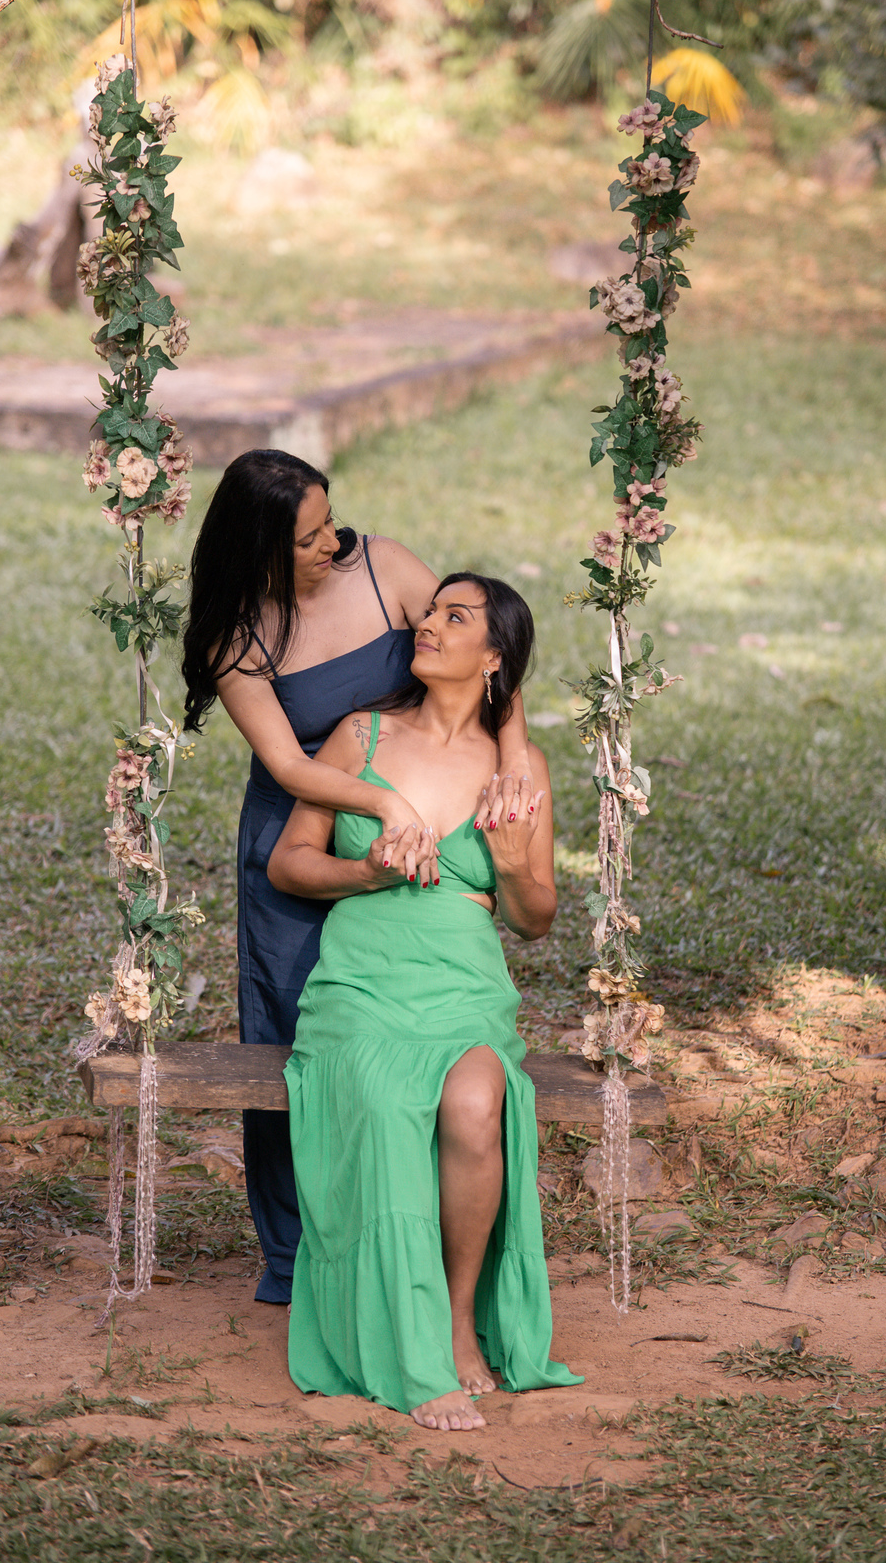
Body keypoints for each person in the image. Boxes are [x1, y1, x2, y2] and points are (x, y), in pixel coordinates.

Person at [181, 451, 536, 1307]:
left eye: (330, 520)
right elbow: (288, 765)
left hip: (410, 808)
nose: (332, 542)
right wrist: (382, 803)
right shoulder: (239, 634)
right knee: (294, 1036)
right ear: (260, 549)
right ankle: (300, 1257)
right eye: (309, 538)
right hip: (305, 824)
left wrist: (517, 753)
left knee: (399, 1040)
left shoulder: (384, 567)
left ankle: (410, 1241)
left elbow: (489, 653)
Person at [269, 573, 581, 1431]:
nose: (429, 624)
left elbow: (535, 919)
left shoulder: (521, 770)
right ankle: (398, 1333)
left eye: (455, 617)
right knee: (379, 1099)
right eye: (431, 610)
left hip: (462, 982)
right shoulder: (360, 736)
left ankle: (454, 1317)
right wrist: (366, 872)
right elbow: (289, 862)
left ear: (493, 658)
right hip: (363, 981)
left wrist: (511, 865)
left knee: (476, 1103)